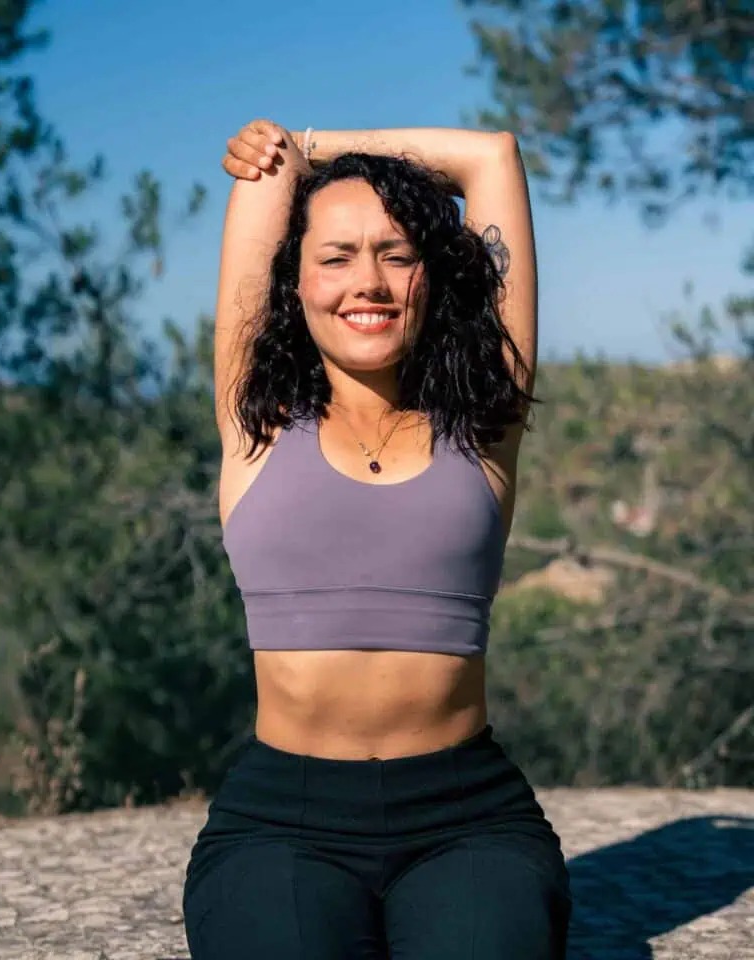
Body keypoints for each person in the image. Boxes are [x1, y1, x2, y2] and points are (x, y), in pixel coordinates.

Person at [182, 119, 572, 960]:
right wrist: (277, 159)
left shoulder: (483, 421)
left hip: (467, 819)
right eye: (336, 256)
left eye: (397, 254)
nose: (370, 281)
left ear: (432, 275)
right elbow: (262, 189)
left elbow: (491, 156)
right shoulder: (256, 418)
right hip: (281, 822)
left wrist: (317, 145)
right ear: (295, 283)